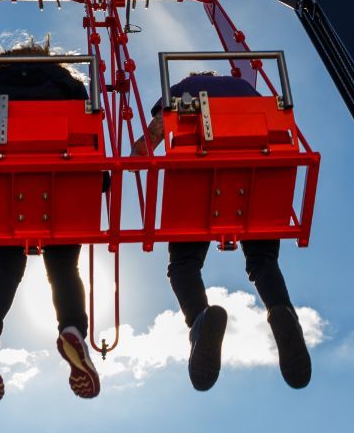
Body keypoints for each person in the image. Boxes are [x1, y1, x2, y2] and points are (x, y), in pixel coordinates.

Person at [132, 71, 311, 392]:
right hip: (262, 169)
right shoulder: (247, 90)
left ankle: (200, 320)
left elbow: (151, 139)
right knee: (263, 262)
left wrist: (135, 154)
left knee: (183, 265)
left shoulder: (183, 89)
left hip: (197, 169)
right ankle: (283, 313)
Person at [0, 36, 101, 403]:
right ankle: (72, 330)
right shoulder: (70, 85)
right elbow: (89, 135)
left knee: (5, 272)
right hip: (62, 180)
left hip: (2, 182)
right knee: (63, 270)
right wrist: (98, 181)